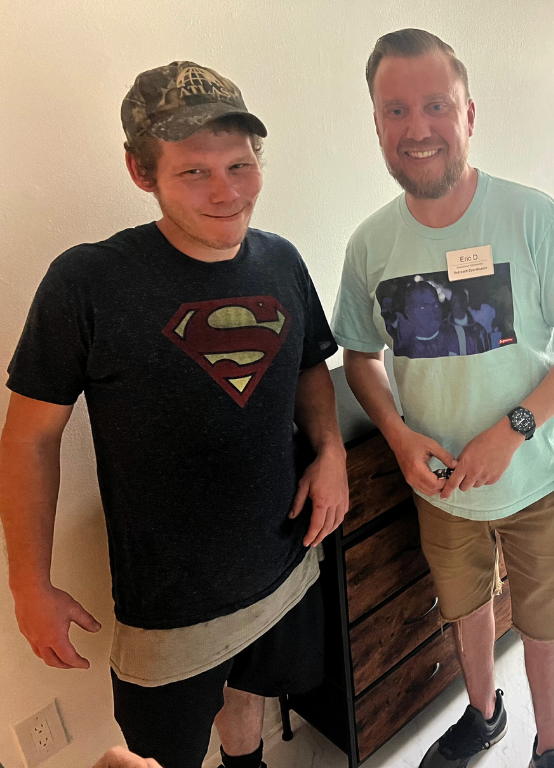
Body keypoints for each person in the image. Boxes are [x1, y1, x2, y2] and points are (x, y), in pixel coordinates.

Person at [0, 61, 348, 768]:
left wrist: (331, 453)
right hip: (170, 611)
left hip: (283, 564)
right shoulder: (86, 282)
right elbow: (30, 440)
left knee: (249, 694)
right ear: (141, 171)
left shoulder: (282, 260)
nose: (227, 192)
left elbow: (310, 362)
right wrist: (29, 585)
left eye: (241, 165)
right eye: (195, 172)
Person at [333, 30, 554, 768]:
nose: (417, 128)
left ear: (469, 114)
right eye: (397, 110)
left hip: (538, 480)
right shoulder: (370, 246)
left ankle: (548, 746)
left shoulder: (531, 217)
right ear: (377, 125)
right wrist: (394, 433)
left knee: (544, 626)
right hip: (441, 488)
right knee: (466, 612)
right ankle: (484, 715)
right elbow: (359, 356)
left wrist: (513, 430)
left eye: (435, 106)